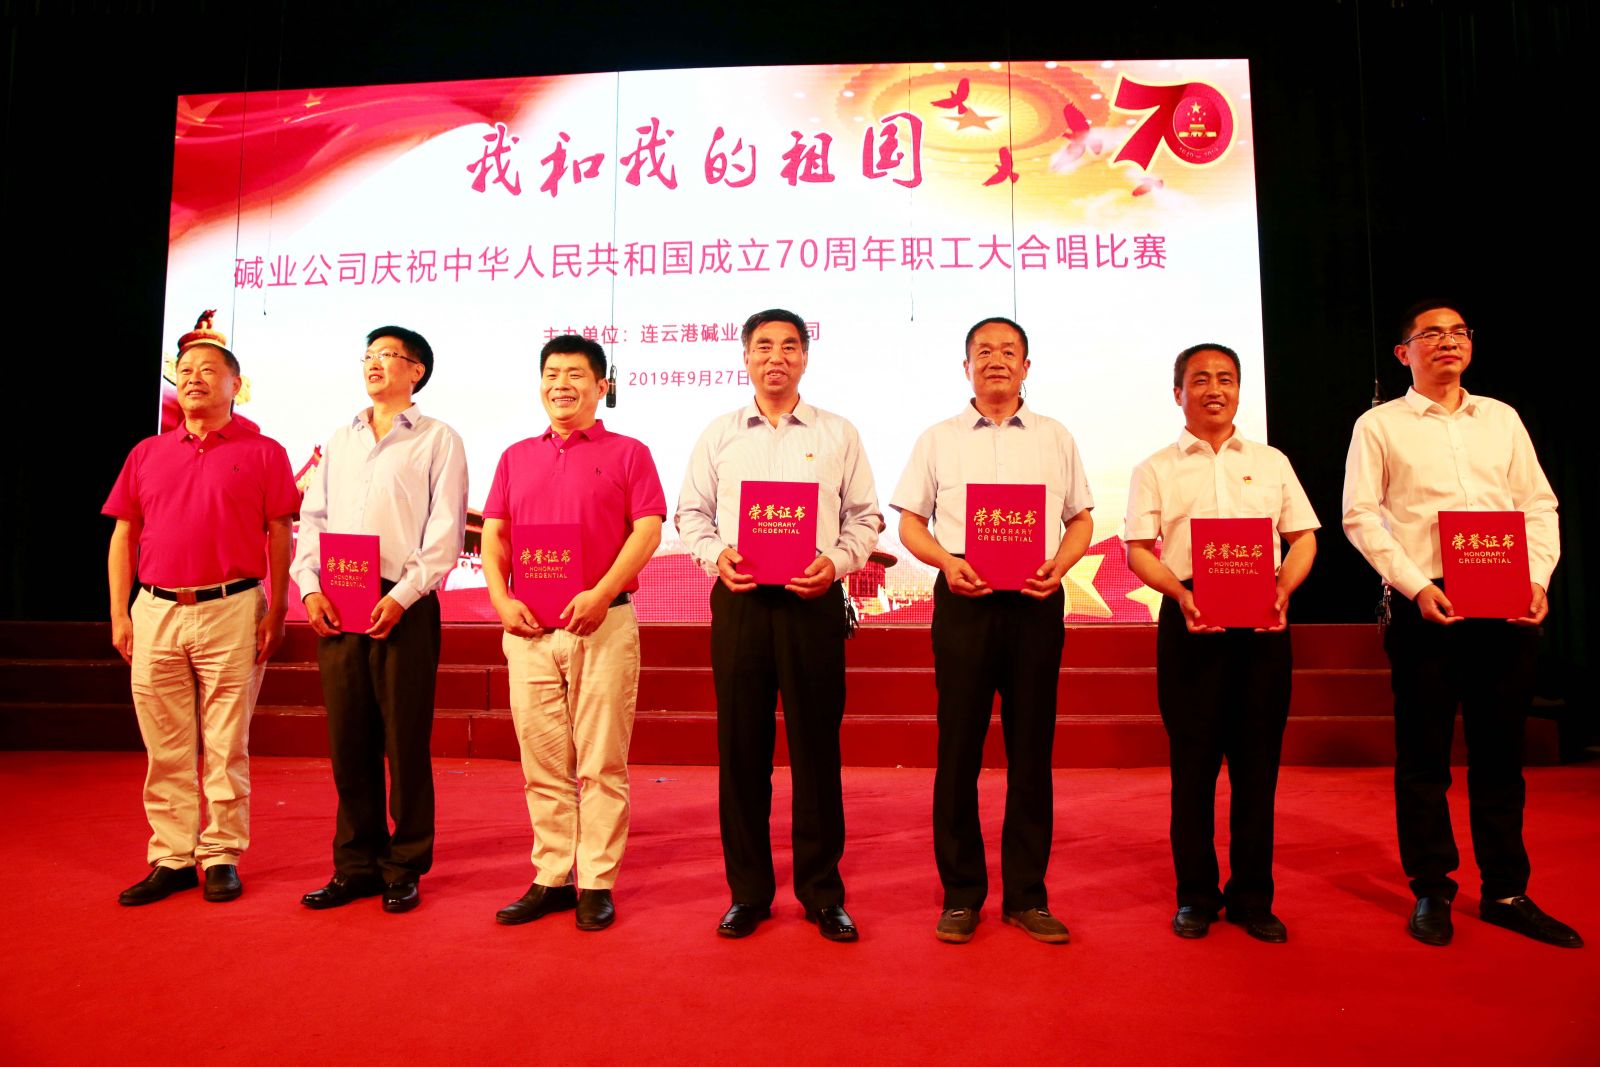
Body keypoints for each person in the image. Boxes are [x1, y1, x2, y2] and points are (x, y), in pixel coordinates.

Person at [1342, 301, 1580, 949]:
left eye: (1458, 333)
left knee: (1499, 755)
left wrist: (1538, 578)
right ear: (1404, 353)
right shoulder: (1379, 425)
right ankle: (1432, 887)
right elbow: (1360, 515)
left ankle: (1505, 890)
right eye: (1432, 334)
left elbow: (1538, 504)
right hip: (1427, 601)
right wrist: (1415, 585)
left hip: (1506, 596)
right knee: (1424, 757)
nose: (1448, 342)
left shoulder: (1500, 417)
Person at [676, 309, 882, 942]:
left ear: (805, 358)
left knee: (817, 751)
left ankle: (822, 893)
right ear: (745, 357)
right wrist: (717, 555)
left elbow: (865, 517)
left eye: (789, 346)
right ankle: (748, 893)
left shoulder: (838, 433)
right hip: (741, 602)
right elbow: (691, 514)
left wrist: (837, 564)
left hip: (812, 602)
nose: (776, 357)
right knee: (742, 751)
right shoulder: (720, 434)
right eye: (763, 346)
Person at [890, 316, 1092, 945]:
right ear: (966, 366)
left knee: (1032, 749)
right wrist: (945, 563)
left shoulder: (1055, 436)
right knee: (959, 750)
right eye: (984, 351)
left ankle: (1027, 895)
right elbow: (911, 523)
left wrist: (1061, 565)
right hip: (965, 601)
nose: (996, 360)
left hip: (1035, 601)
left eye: (1009, 351)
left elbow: (1080, 519)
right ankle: (961, 895)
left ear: (1027, 366)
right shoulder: (938, 439)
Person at [1123, 342, 1318, 943]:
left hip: (1263, 623)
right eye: (1201, 379)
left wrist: (1283, 590)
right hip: (1190, 619)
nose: (1215, 389)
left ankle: (1254, 897)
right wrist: (1179, 595)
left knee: (1258, 769)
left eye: (1226, 378)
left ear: (1238, 389)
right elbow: (1138, 551)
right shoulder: (1155, 468)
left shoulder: (1272, 461)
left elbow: (1304, 537)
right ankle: (1196, 896)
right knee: (1194, 769)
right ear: (1177, 392)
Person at [104, 310, 299, 905]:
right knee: (164, 744)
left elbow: (280, 533)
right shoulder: (147, 452)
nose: (192, 377)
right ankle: (171, 856)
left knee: (225, 741)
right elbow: (124, 534)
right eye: (185, 369)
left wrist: (277, 610)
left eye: (208, 369)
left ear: (235, 385)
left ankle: (221, 854)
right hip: (155, 609)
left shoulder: (264, 451)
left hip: (232, 607)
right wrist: (120, 614)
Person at [480, 335, 665, 932]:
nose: (562, 384)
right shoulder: (515, 457)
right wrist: (501, 599)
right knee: (542, 761)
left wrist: (602, 592)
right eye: (552, 373)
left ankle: (598, 881)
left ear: (601, 386)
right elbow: (494, 534)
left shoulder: (629, 452)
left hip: (603, 624)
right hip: (529, 630)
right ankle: (553, 875)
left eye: (576, 374)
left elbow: (648, 530)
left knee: (601, 761)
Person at [293, 326, 467, 914]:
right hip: (339, 598)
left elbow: (444, 532)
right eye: (368, 355)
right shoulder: (340, 439)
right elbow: (313, 519)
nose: (374, 364)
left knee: (404, 741)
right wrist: (309, 588)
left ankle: (405, 864)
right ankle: (356, 865)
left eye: (388, 355)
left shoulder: (438, 439)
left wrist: (404, 596)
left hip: (403, 603)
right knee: (349, 741)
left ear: (416, 370)